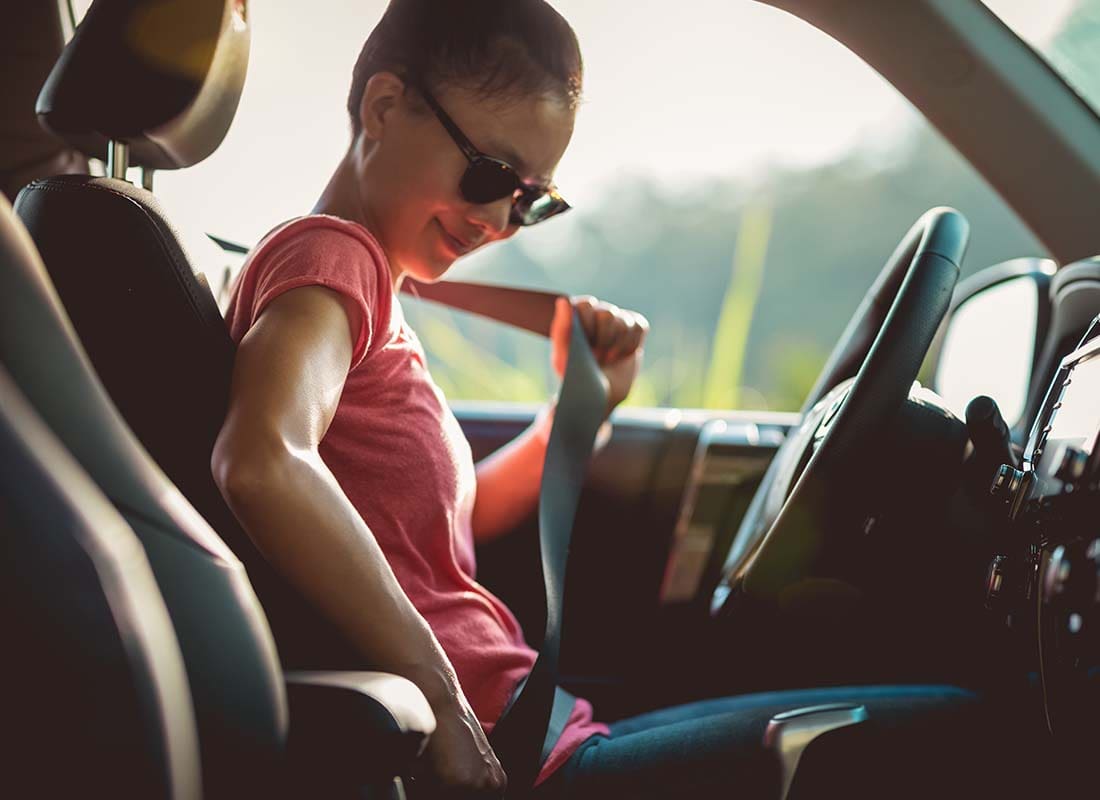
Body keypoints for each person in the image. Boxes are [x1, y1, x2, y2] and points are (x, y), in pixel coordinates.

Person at [212, 1, 991, 797]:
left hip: (539, 722)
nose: (497, 222)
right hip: (504, 748)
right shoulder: (332, 259)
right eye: (487, 175)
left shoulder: (372, 289)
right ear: (383, 107)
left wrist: (580, 414)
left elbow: (440, 529)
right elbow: (265, 459)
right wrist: (444, 705)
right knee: (965, 727)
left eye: (529, 202)